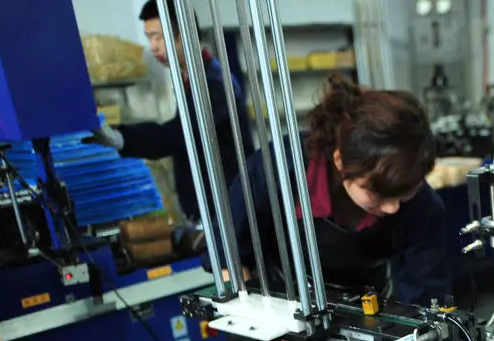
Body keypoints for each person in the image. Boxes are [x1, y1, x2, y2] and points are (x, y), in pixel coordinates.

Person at [228, 75, 448, 306]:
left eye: (404, 194)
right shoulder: (278, 168)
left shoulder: (424, 207)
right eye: (377, 194)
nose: (393, 207)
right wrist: (254, 312)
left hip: (368, 302)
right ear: (340, 161)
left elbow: (426, 295)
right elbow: (229, 253)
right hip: (281, 298)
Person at [89, 0, 252, 224]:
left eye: (158, 38)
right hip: (212, 207)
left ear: (183, 36)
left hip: (229, 209)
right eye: (149, 38)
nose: (153, 47)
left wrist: (121, 138)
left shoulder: (213, 84)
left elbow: (180, 135)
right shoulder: (190, 78)